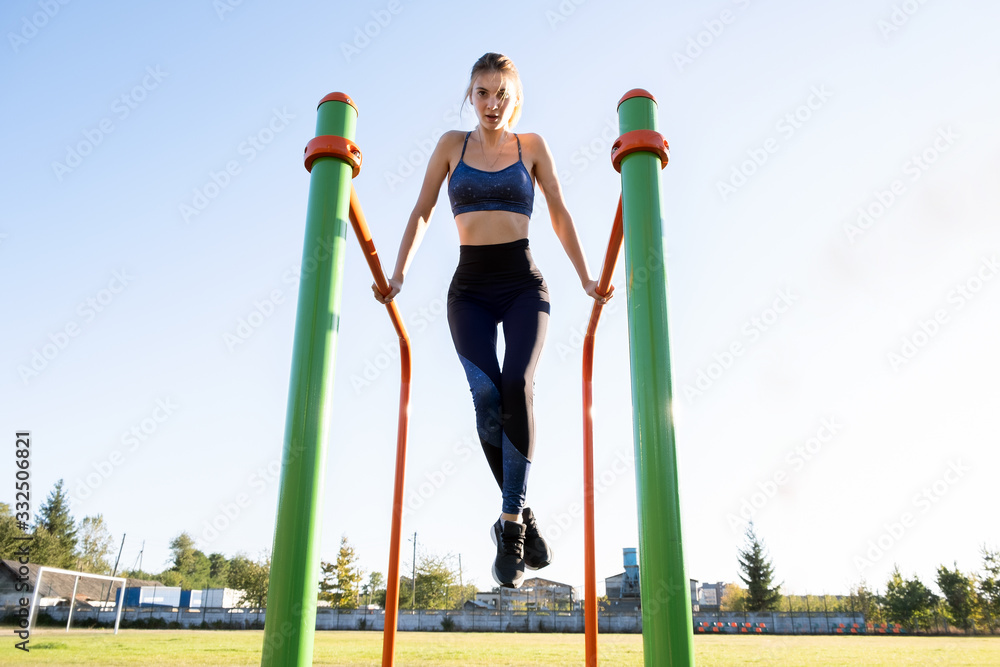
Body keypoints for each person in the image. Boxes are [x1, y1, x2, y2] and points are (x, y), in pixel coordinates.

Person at [373, 52, 611, 589]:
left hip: (524, 284)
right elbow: (422, 211)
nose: (491, 103)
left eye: (502, 93)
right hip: (470, 290)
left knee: (516, 383)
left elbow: (558, 211)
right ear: (470, 95)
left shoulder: (533, 147)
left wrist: (585, 277)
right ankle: (522, 512)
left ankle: (508, 527)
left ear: (515, 98)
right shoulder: (449, 146)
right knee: (485, 396)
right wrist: (398, 274)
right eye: (482, 92)